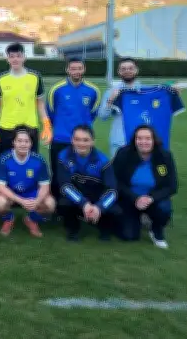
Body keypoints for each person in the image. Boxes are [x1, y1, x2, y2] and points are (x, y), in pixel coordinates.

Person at [113, 125, 178, 249]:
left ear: (154, 140)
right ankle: (136, 219)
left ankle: (156, 230)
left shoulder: (165, 156)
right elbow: (116, 181)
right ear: (134, 140)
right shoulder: (124, 154)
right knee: (129, 236)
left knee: (164, 209)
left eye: (148, 138)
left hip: (153, 200)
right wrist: (134, 198)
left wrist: (150, 198)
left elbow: (172, 186)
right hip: (129, 198)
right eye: (139, 138)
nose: (143, 142)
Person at [55, 125, 121, 242]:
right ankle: (73, 230)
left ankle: (103, 228)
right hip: (77, 198)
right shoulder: (63, 156)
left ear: (92, 141)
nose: (81, 143)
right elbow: (65, 186)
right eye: (77, 139)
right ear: (72, 140)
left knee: (116, 211)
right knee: (63, 203)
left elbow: (113, 191)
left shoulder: (103, 160)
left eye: (85, 140)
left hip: (96, 199)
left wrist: (99, 207)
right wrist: (84, 203)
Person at [46, 58, 100, 198]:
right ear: (67, 70)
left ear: (84, 69)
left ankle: (79, 205)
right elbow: (50, 112)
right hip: (60, 138)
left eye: (79, 68)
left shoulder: (93, 90)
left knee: (82, 173)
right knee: (58, 173)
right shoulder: (56, 89)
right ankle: (57, 206)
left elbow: (93, 113)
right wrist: (60, 127)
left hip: (82, 141)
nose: (76, 71)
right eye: (73, 68)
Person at [0, 43, 52, 155]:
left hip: (30, 127)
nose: (15, 59)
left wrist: (46, 124)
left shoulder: (35, 77)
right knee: (5, 163)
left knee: (30, 165)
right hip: (6, 127)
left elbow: (40, 103)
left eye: (18, 56)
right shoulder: (0, 78)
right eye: (12, 56)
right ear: (7, 59)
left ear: (24, 57)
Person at [0, 129, 56, 238]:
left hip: (31, 193)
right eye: (19, 141)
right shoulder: (4, 159)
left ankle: (31, 219)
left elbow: (45, 186)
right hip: (11, 193)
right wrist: (21, 200)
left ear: (31, 143)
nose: (23, 144)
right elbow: (0, 186)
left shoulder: (39, 160)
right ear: (14, 142)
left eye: (26, 141)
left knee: (50, 204)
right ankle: (8, 219)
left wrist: (37, 201)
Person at [98, 58, 141, 156]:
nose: (127, 71)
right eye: (123, 69)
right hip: (118, 141)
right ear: (119, 72)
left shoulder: (144, 92)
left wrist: (172, 93)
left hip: (141, 142)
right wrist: (111, 100)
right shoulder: (111, 92)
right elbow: (102, 116)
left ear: (136, 70)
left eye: (130, 68)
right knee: (118, 171)